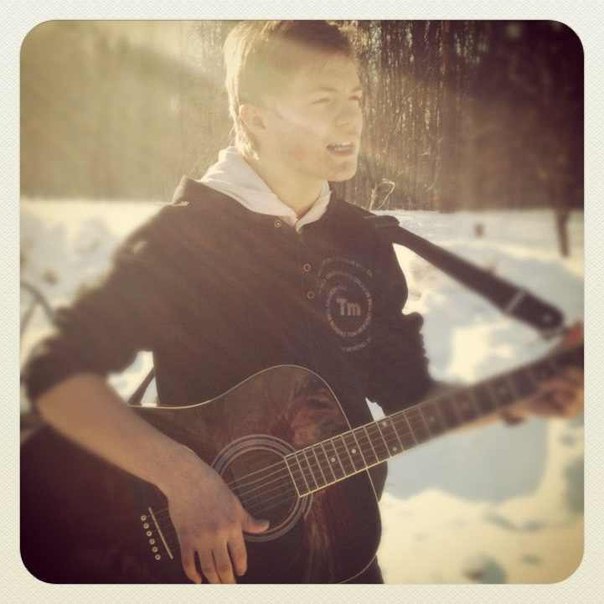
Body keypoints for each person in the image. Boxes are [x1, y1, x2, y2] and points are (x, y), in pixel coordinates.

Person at [21, 20, 583, 584]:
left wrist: (519, 397)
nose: (350, 118)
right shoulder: (184, 240)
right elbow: (55, 378)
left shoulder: (363, 241)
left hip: (341, 556)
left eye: (355, 98)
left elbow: (407, 391)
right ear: (255, 118)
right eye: (323, 100)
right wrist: (184, 479)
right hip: (205, 564)